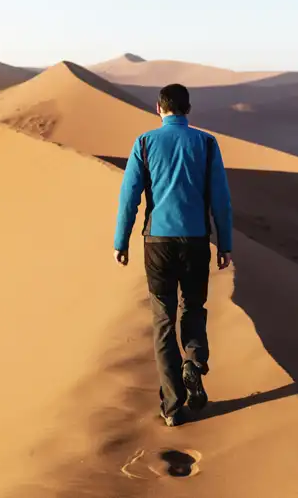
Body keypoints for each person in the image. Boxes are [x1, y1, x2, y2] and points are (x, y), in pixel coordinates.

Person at [113, 83, 233, 427]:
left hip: (158, 245)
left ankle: (171, 405)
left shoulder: (145, 143)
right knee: (193, 308)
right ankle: (193, 363)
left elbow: (129, 197)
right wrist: (225, 244)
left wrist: (120, 241)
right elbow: (221, 199)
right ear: (188, 109)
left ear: (158, 109)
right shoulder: (207, 144)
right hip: (196, 242)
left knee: (163, 320)